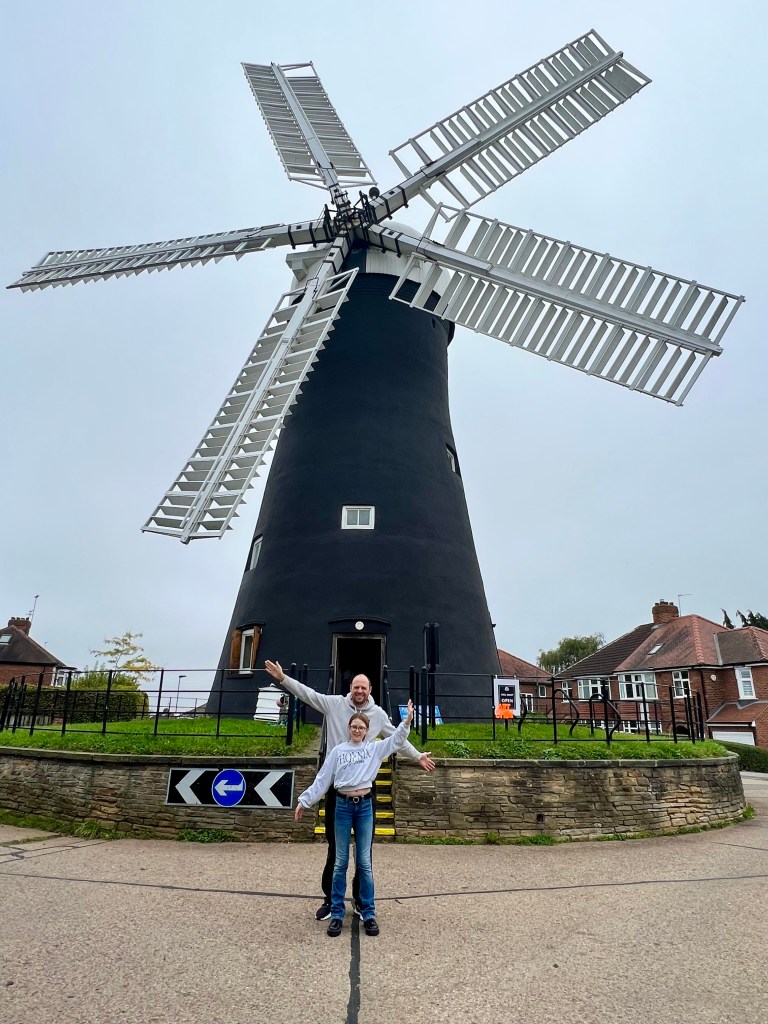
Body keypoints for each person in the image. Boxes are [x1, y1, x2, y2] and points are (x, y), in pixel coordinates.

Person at [264, 659, 434, 921]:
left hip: (365, 789)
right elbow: (307, 694)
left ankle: (358, 900)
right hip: (337, 787)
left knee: (364, 854)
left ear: (370, 690)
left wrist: (417, 756)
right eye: (356, 686)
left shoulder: (377, 715)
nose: (359, 691)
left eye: (364, 687)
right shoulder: (334, 705)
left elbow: (395, 738)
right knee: (336, 849)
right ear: (350, 688)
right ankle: (330, 900)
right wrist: (283, 679)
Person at [295, 699, 415, 936]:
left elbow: (396, 740)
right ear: (349, 728)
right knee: (340, 862)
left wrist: (407, 720)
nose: (357, 730)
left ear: (367, 731)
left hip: (364, 807)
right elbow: (323, 779)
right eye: (354, 727)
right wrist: (304, 801)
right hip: (342, 805)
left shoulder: (373, 749)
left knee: (364, 863)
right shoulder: (339, 751)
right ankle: (337, 913)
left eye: (361, 728)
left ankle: (369, 912)